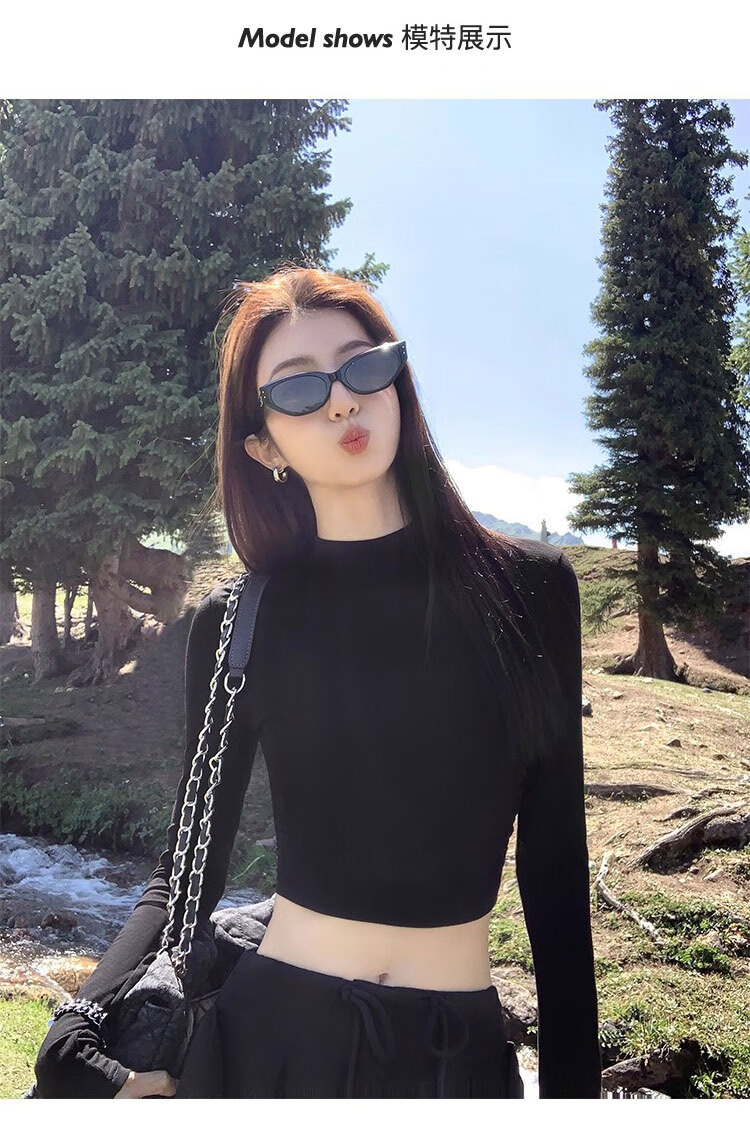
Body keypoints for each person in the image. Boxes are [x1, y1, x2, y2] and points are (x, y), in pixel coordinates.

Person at [32, 265, 602, 1099]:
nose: (341, 401)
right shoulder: (236, 621)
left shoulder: (531, 592)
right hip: (271, 1046)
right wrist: (78, 1022)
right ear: (262, 445)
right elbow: (188, 865)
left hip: (459, 1062)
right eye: (298, 388)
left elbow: (555, 879)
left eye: (362, 365)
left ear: (397, 381)